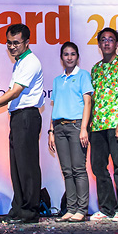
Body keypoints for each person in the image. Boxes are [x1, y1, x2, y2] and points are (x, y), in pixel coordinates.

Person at [0, 23, 45, 224]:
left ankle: (30, 211)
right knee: (17, 166)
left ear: (27, 42)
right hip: (18, 117)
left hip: (27, 117)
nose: (12, 47)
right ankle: (19, 208)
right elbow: (12, 96)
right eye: (9, 43)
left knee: (27, 166)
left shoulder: (30, 62)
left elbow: (14, 93)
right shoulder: (19, 62)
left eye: (16, 43)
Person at [89, 27, 118, 223]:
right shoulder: (95, 69)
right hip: (97, 125)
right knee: (98, 167)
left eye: (110, 39)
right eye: (103, 40)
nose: (107, 43)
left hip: (117, 123)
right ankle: (107, 208)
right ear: (99, 44)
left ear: (117, 43)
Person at [47, 42, 93, 223]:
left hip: (76, 126)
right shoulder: (57, 80)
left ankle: (81, 209)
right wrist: (51, 131)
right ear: (61, 58)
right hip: (59, 127)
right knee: (66, 170)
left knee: (79, 169)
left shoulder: (83, 75)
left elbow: (87, 103)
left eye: (73, 54)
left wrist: (84, 128)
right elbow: (55, 105)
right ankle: (71, 208)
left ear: (77, 57)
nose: (69, 57)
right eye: (66, 54)